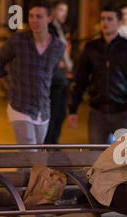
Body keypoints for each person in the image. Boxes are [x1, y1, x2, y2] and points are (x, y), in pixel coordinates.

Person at [0, 0, 65, 217]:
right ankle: (41, 214)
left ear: (49, 19)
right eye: (31, 16)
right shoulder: (17, 41)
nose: (34, 21)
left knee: (26, 164)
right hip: (20, 109)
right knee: (35, 160)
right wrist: (10, 88)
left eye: (39, 17)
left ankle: (14, 211)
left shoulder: (57, 46)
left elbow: (49, 75)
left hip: (42, 111)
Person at [68, 4, 127, 145]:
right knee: (96, 157)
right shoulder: (91, 48)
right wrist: (73, 108)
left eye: (109, 19)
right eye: (102, 19)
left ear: (119, 22)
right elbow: (80, 79)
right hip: (97, 111)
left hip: (122, 111)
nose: (105, 22)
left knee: (126, 156)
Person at [44, 0, 73, 145]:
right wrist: (57, 62)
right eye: (61, 10)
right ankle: (49, 145)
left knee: (61, 113)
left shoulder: (62, 28)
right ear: (54, 11)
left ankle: (54, 143)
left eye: (65, 10)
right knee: (53, 113)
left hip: (64, 76)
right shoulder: (49, 28)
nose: (64, 14)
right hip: (54, 77)